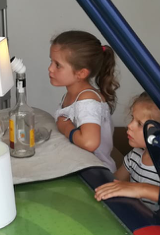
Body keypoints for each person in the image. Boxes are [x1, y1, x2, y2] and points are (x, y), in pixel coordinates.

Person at [93, 91, 160, 210]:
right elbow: (113, 182)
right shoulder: (134, 155)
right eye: (132, 118)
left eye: (140, 124)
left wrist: (141, 189)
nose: (130, 125)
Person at [50, 31, 119, 172]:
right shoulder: (72, 95)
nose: (50, 68)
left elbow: (89, 142)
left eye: (57, 65)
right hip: (79, 165)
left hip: (95, 173)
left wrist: (66, 127)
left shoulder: (87, 100)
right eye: (51, 61)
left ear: (81, 73)